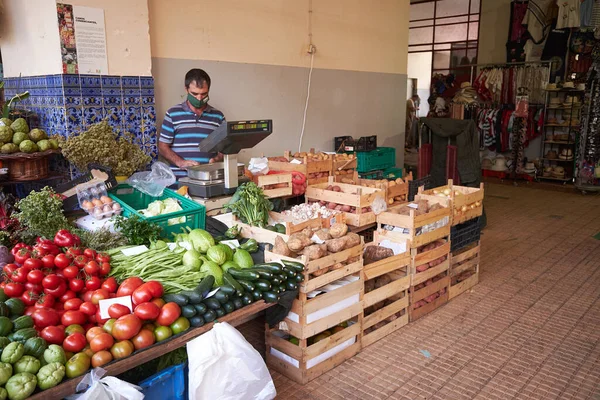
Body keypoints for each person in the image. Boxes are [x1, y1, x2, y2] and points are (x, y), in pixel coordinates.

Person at [158, 68, 226, 177]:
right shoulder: (172, 114)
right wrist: (181, 162)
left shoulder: (218, 116)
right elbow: (162, 147)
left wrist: (218, 159)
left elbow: (225, 148)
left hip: (208, 180)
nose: (199, 98)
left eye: (204, 94)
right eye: (194, 94)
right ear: (186, 90)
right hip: (179, 181)